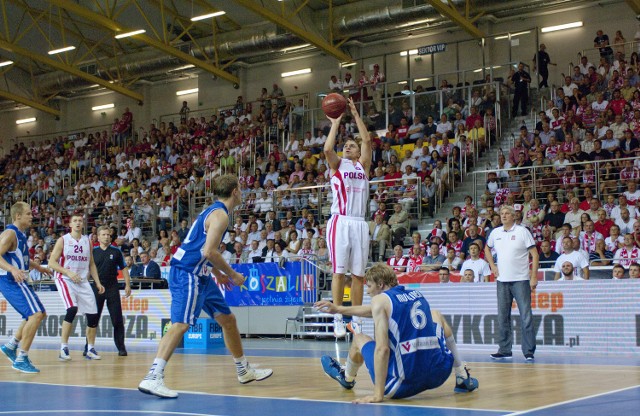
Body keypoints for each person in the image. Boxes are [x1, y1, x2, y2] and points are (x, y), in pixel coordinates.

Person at [138, 175, 272, 398]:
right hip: (188, 272)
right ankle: (153, 376)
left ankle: (243, 370)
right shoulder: (220, 216)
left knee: (228, 320)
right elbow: (209, 251)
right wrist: (232, 274)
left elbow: (204, 249)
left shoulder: (214, 210)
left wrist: (217, 273)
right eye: (240, 188)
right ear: (236, 191)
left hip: (202, 273)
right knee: (180, 324)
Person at [314, 263, 478, 403]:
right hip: (439, 374)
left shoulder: (379, 301)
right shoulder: (414, 294)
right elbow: (374, 310)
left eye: (369, 286)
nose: (367, 291)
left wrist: (378, 395)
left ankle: (347, 377)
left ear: (380, 284)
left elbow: (382, 350)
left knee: (359, 338)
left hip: (402, 385)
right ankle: (461, 374)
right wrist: (338, 309)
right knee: (436, 315)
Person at [324, 97, 372, 337]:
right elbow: (327, 149)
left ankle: (357, 319)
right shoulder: (337, 164)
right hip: (340, 221)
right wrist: (335, 122)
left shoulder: (363, 166)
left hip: (360, 222)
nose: (348, 148)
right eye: (346, 146)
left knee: (358, 276)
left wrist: (355, 114)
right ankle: (338, 318)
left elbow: (368, 140)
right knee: (339, 273)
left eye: (352, 146)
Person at [48, 213, 105, 361]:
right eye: (75, 221)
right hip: (65, 278)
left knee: (93, 315)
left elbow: (91, 263)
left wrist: (97, 282)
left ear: (83, 224)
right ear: (70, 225)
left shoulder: (88, 241)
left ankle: (91, 348)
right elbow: (51, 263)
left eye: (80, 220)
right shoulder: (63, 240)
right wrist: (67, 271)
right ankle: (63, 348)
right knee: (72, 309)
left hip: (82, 281)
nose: (78, 223)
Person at [0, 202, 49, 373]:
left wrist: (39, 267)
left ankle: (10, 346)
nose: (31, 216)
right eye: (28, 214)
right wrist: (12, 269)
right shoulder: (10, 233)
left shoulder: (21, 234)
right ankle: (21, 358)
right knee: (35, 315)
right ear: (18, 216)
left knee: (40, 314)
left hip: (17, 279)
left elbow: (23, 258)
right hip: (10, 280)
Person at [484, 205, 539, 361]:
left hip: (521, 279)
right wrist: (492, 266)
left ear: (514, 216)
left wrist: (534, 276)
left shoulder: (522, 231)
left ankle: (528, 351)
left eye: (507, 213)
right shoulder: (495, 232)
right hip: (502, 281)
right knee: (502, 316)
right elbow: (487, 249)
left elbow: (534, 255)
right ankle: (504, 349)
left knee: (526, 316)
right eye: (502, 213)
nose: (504, 215)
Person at [87, 225, 131, 356]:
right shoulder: (93, 251)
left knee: (117, 319)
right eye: (104, 235)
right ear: (98, 237)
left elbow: (124, 268)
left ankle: (121, 348)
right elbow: (88, 270)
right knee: (93, 318)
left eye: (108, 235)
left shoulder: (116, 251)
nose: (107, 237)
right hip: (97, 287)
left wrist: (128, 285)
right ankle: (88, 347)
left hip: (113, 287)